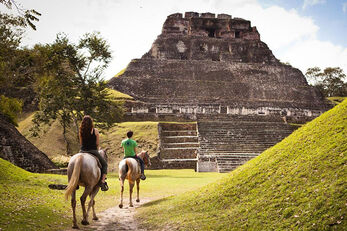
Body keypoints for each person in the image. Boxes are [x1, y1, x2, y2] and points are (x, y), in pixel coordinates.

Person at [79, 115, 108, 191]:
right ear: (91, 122)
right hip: (93, 151)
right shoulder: (95, 130)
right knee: (105, 164)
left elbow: (81, 143)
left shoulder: (81, 130)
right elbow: (97, 143)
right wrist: (97, 148)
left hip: (82, 151)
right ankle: (102, 181)